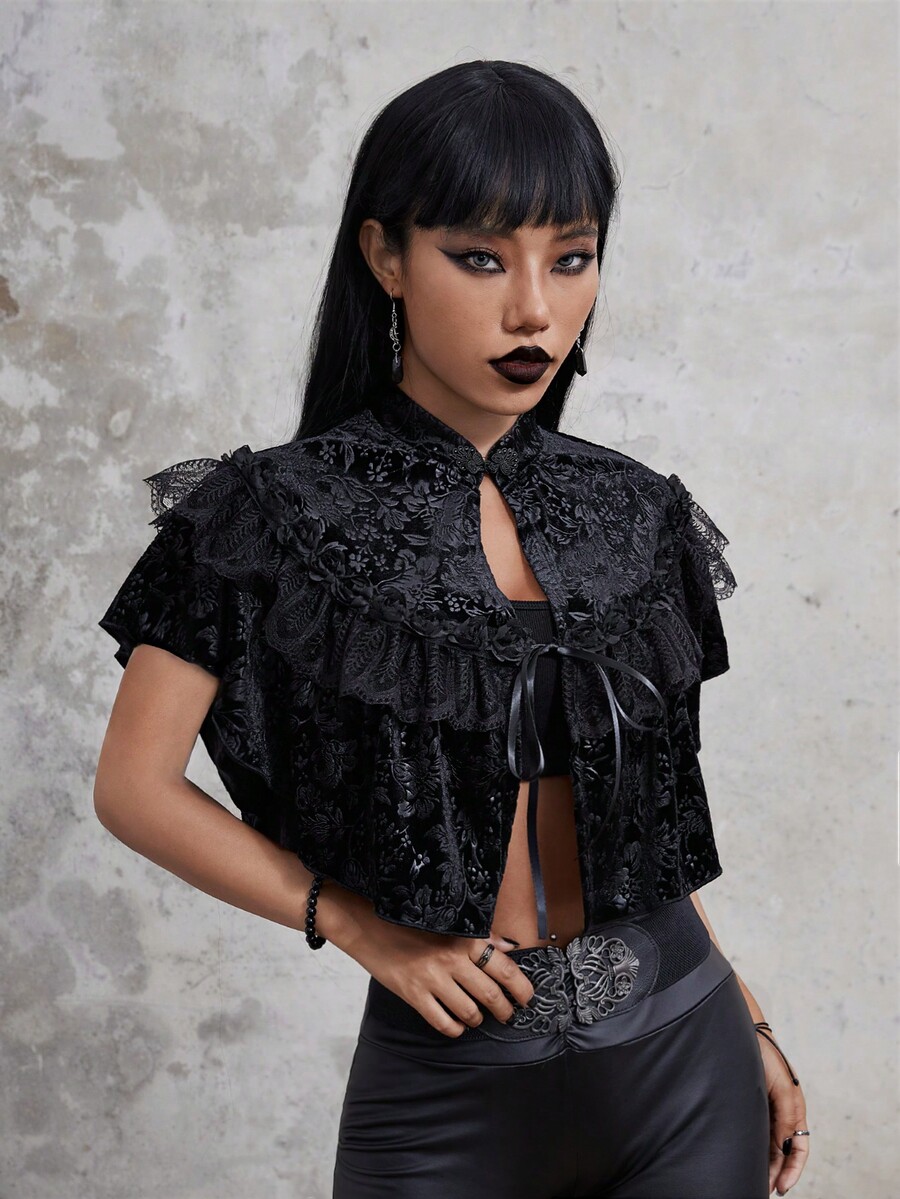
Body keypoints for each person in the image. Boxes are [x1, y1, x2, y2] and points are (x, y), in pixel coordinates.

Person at [93, 60, 809, 1199]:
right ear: (385, 256)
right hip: (444, 1096)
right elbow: (133, 786)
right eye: (481, 257)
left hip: (688, 1062)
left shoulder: (636, 512)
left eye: (570, 258)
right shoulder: (268, 513)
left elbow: (647, 830)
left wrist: (751, 1017)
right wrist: (361, 927)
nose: (534, 310)